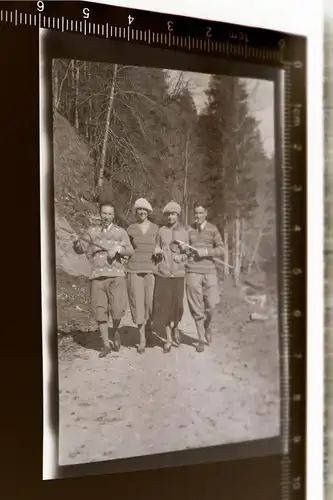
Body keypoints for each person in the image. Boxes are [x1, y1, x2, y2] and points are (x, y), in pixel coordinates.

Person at [72, 201, 133, 358]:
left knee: (118, 309)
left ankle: (116, 330)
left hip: (117, 276)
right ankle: (105, 344)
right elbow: (80, 249)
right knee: (100, 310)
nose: (106, 216)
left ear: (113, 215)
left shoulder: (120, 232)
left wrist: (118, 249)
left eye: (109, 214)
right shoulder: (91, 232)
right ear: (100, 214)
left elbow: (130, 250)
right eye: (104, 213)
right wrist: (75, 241)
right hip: (97, 276)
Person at [185, 201, 224, 353]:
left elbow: (221, 249)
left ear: (206, 213)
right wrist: (182, 256)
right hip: (193, 271)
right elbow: (186, 250)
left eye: (201, 213)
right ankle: (200, 338)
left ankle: (208, 325)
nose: (198, 216)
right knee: (196, 306)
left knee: (212, 304)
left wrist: (206, 252)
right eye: (196, 213)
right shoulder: (189, 230)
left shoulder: (213, 229)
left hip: (209, 271)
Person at [152, 201, 189, 353]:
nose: (170, 217)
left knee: (178, 306)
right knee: (165, 307)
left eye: (172, 214)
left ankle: (176, 328)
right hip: (164, 274)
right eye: (167, 214)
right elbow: (156, 246)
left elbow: (189, 253)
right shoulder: (161, 231)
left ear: (178, 215)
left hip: (179, 274)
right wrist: (157, 250)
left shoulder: (185, 233)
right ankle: (168, 339)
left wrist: (183, 256)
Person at [126, 198, 159, 354]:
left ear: (148, 212)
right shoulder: (131, 229)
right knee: (137, 304)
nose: (142, 212)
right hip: (134, 270)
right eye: (139, 209)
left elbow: (160, 246)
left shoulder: (155, 229)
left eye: (144, 210)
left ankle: (149, 328)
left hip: (151, 271)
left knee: (150, 304)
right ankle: (142, 340)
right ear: (136, 211)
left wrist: (159, 251)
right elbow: (126, 248)